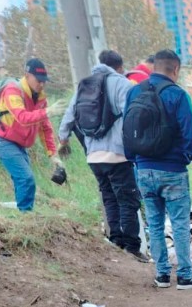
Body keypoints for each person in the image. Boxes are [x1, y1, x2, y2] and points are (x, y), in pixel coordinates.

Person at [124, 49, 192, 289]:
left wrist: (134, 161)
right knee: (180, 223)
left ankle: (162, 274)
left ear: (154, 67)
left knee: (154, 224)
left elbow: (126, 130)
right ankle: (185, 275)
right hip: (172, 170)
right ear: (176, 69)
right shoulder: (177, 94)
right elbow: (189, 134)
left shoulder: (134, 92)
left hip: (143, 169)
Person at [57, 50, 147, 261]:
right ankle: (132, 247)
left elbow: (69, 116)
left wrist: (63, 139)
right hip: (117, 154)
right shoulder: (122, 83)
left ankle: (116, 241)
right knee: (127, 200)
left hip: (93, 156)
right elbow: (132, 116)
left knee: (109, 198)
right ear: (120, 67)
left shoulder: (85, 84)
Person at [0, 58, 58, 212]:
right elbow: (22, 118)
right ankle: (26, 214)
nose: (42, 84)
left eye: (44, 81)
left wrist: (52, 155)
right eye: (38, 80)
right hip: (2, 140)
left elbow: (45, 128)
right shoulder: (12, 90)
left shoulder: (40, 97)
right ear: (27, 75)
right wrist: (47, 112)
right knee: (26, 178)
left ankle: (21, 213)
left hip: (19, 143)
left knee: (22, 180)